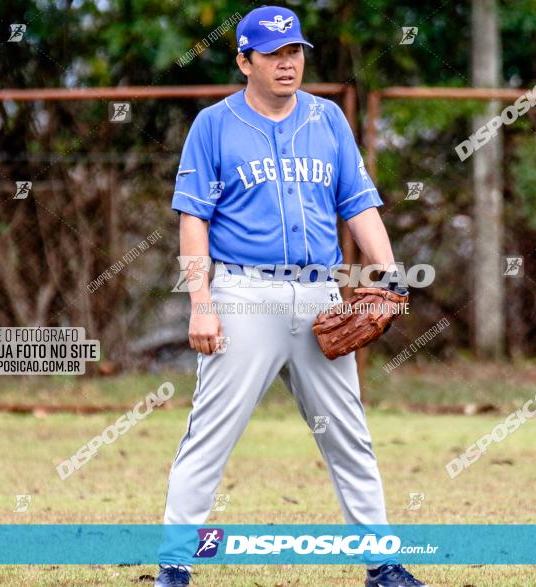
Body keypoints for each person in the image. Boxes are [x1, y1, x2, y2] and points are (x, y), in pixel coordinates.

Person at [155, 6, 427, 587]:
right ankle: (175, 564)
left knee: (348, 433)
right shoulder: (213, 126)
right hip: (243, 295)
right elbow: (193, 219)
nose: (287, 64)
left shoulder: (327, 119)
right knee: (211, 432)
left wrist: (390, 274)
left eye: (295, 52)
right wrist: (200, 301)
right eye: (273, 54)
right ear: (244, 62)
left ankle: (383, 565)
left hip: (319, 296)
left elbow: (357, 201)